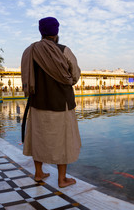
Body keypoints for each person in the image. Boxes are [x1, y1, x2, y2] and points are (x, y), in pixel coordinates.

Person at [21, 17, 81, 188]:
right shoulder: (63, 50)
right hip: (61, 104)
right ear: (57, 32)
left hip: (37, 103)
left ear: (41, 32)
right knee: (64, 140)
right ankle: (62, 179)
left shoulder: (30, 51)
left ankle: (39, 173)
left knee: (38, 138)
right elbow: (74, 76)